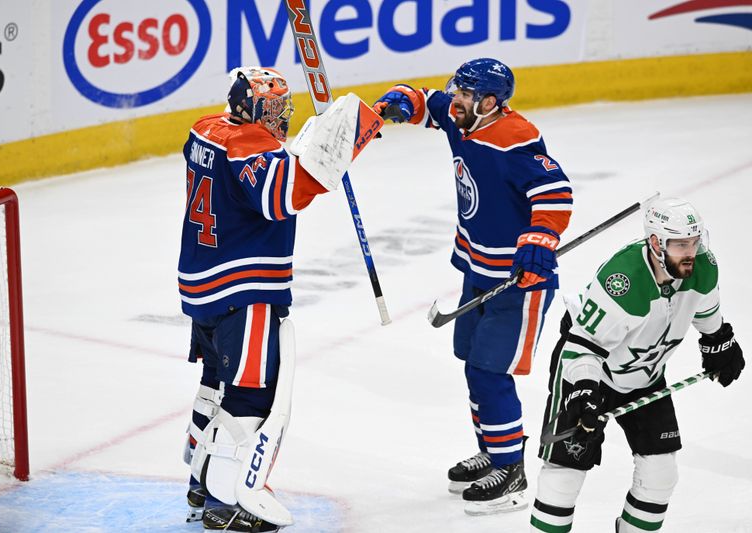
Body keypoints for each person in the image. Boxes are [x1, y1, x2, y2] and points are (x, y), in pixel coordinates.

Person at [177, 66, 378, 532]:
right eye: (271, 107)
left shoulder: (205, 129)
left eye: (282, 106)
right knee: (251, 394)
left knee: (216, 384)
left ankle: (200, 480)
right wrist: (346, 140)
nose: (280, 115)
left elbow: (266, 166)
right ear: (247, 107)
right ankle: (226, 503)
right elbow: (282, 195)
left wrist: (309, 145)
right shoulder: (250, 144)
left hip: (203, 283)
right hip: (241, 290)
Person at [373, 58, 573, 515]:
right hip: (478, 269)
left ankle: (511, 468)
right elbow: (427, 101)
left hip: (518, 280)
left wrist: (539, 240)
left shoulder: (514, 137)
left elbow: (555, 191)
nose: (454, 99)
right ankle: (493, 449)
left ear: (488, 102)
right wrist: (399, 101)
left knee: (489, 371)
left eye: (464, 93)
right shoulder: (464, 117)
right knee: (471, 362)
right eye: (456, 90)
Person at [531, 198, 744, 532]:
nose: (690, 252)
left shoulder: (702, 266)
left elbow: (706, 313)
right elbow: (581, 347)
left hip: (645, 376)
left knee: (661, 473)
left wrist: (718, 341)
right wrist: (583, 390)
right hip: (592, 373)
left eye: (694, 241)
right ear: (656, 243)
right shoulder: (623, 281)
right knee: (565, 474)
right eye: (680, 244)